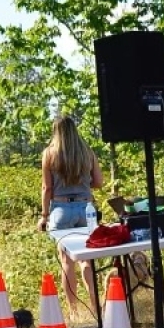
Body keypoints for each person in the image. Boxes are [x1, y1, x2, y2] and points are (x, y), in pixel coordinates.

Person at [38, 116, 103, 317]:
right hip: (86, 208)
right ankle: (95, 307)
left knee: (67, 261)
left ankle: (74, 312)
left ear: (56, 132)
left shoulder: (49, 154)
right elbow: (99, 182)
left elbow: (47, 187)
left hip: (61, 209)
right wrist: (81, 185)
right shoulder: (87, 152)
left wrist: (44, 215)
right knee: (87, 260)